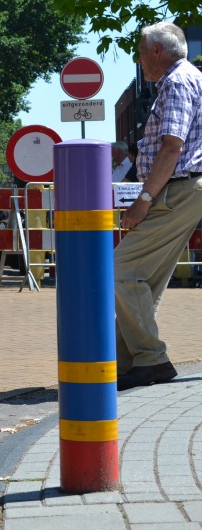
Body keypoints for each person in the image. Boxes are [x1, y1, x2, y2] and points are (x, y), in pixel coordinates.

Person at [114, 21, 202, 390]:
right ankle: (125, 364)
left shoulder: (178, 82)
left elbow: (172, 146)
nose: (138, 58)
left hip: (175, 190)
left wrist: (143, 201)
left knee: (119, 270)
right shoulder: (186, 78)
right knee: (143, 279)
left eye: (140, 50)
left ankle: (151, 359)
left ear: (157, 52)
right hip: (182, 190)